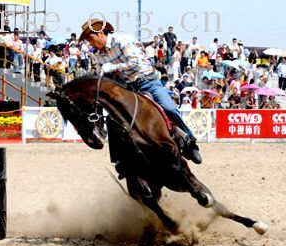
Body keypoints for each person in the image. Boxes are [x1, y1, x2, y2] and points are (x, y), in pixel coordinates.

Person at [78, 19, 202, 164]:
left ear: (100, 33)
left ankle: (189, 142)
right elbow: (106, 74)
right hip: (129, 87)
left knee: (169, 108)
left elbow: (135, 63)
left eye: (89, 38)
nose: (89, 43)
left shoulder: (121, 40)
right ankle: (119, 159)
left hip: (148, 81)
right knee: (113, 119)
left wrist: (111, 67)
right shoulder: (99, 55)